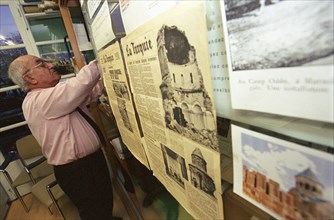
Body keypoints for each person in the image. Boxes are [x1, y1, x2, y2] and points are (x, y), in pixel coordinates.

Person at [8, 55, 121, 220]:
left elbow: (90, 93)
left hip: (90, 161)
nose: (50, 65)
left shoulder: (54, 96)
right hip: (77, 170)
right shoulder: (38, 100)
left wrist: (105, 77)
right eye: (41, 64)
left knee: (103, 202)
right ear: (29, 78)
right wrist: (104, 58)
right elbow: (77, 86)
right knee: (93, 212)